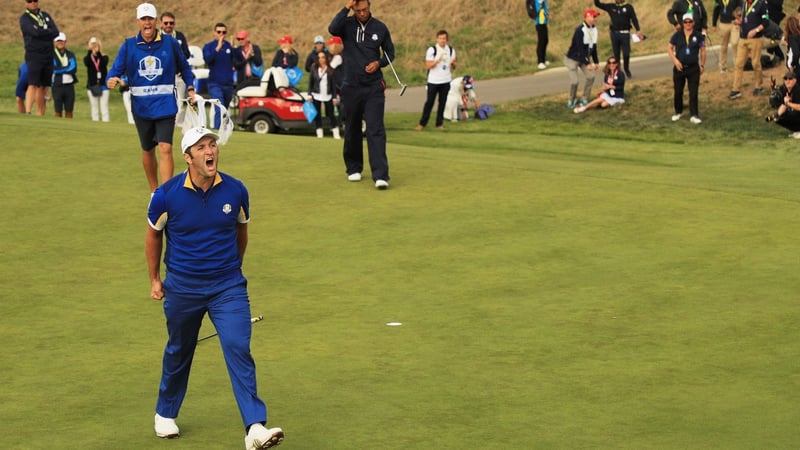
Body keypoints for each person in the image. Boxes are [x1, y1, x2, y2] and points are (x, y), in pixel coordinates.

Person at [146, 126, 285, 449]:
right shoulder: (166, 195)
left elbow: (241, 232)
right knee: (180, 349)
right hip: (182, 288)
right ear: (187, 156)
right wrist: (155, 279)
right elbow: (153, 236)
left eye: (212, 145)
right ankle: (165, 413)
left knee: (238, 347)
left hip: (228, 287)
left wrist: (231, 269)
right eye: (201, 147)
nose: (210, 151)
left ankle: (254, 428)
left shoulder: (235, 190)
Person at [106, 2, 196, 193]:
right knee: (148, 149)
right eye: (143, 19)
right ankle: (154, 191)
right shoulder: (129, 45)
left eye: (150, 19)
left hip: (165, 105)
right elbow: (115, 71)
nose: (147, 23)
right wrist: (110, 80)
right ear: (138, 21)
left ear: (156, 21)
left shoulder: (170, 43)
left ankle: (166, 195)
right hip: (141, 107)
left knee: (165, 147)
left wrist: (190, 87)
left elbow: (184, 67)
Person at [329, 0, 394, 190]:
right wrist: (346, 7)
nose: (362, 13)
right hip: (351, 86)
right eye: (358, 10)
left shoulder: (380, 27)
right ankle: (354, 168)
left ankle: (381, 175)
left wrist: (379, 63)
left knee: (375, 128)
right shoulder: (346, 25)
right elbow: (332, 29)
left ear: (369, 7)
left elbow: (390, 52)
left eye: (365, 9)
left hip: (374, 86)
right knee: (352, 127)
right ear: (354, 9)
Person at [20, 0, 60, 116]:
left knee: (43, 85)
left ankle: (40, 113)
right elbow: (34, 32)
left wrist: (41, 30)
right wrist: (47, 32)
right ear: (26, 3)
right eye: (30, 1)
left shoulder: (45, 15)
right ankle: (28, 111)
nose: (33, 3)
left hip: (48, 53)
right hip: (34, 54)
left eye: (35, 1)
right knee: (33, 83)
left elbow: (56, 32)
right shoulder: (25, 18)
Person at [668, 12, 707, 124]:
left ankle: (694, 114)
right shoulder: (677, 35)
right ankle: (678, 111)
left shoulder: (698, 36)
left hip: (693, 68)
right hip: (680, 67)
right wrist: (675, 61)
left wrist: (702, 65)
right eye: (686, 22)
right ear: (683, 23)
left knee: (693, 92)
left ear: (693, 23)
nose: (688, 24)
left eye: (690, 21)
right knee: (678, 91)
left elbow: (703, 51)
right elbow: (669, 48)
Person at [728, 0, 770, 99]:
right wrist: (739, 22)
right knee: (739, 63)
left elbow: (766, 21)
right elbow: (746, 18)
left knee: (755, 63)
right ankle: (736, 88)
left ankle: (759, 85)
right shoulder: (744, 4)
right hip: (743, 38)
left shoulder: (761, 4)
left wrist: (756, 30)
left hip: (755, 39)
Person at [416, 30, 456, 131]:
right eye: (440, 38)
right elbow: (428, 66)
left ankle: (439, 123)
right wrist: (437, 60)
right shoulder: (432, 50)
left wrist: (452, 63)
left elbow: (453, 67)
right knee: (429, 102)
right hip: (433, 81)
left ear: (447, 40)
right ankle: (422, 123)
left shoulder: (450, 50)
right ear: (437, 39)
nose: (442, 40)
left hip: (446, 80)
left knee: (442, 103)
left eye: (444, 39)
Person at [593, 0, 644, 78]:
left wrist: (638, 30)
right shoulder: (611, 7)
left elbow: (634, 19)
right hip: (614, 34)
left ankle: (626, 68)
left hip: (625, 33)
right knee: (616, 55)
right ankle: (618, 72)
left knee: (626, 53)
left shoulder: (628, 7)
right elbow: (598, 4)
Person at [565, 9, 601, 109]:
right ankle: (571, 100)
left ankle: (584, 98)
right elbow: (580, 49)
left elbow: (593, 47)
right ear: (587, 17)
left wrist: (596, 61)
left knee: (591, 77)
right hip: (573, 58)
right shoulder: (580, 30)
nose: (595, 19)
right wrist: (588, 63)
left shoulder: (594, 30)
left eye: (595, 17)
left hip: (584, 58)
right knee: (574, 81)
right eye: (593, 17)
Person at [203, 22, 236, 130]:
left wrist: (233, 48)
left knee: (225, 109)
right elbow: (208, 59)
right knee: (219, 107)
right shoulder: (209, 46)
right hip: (215, 83)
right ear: (214, 33)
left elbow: (238, 61)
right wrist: (217, 48)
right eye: (219, 32)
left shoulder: (229, 46)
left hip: (228, 83)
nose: (221, 34)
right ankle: (217, 131)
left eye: (224, 32)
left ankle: (225, 130)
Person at [161, 12, 191, 123]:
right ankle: (164, 122)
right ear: (161, 23)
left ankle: (176, 124)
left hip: (178, 74)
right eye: (166, 23)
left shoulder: (179, 36)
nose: (168, 25)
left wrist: (177, 55)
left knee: (179, 101)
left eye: (171, 23)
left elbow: (186, 53)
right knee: (165, 101)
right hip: (163, 75)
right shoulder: (157, 36)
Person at [307, 51, 341, 139]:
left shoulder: (330, 69)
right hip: (316, 94)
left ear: (326, 58)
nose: (321, 59)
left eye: (323, 57)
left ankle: (335, 132)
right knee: (317, 114)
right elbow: (311, 82)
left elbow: (333, 85)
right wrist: (309, 94)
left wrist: (334, 97)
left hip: (328, 95)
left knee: (331, 114)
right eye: (319, 57)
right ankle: (319, 133)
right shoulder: (314, 68)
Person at [766, 71, 800, 137]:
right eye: (785, 79)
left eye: (790, 79)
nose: (787, 81)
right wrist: (775, 116)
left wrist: (788, 103)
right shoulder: (783, 89)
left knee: (794, 113)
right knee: (779, 118)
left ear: (795, 80)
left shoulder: (798, 90)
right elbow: (783, 104)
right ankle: (796, 130)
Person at [51, 32, 77, 119]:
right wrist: (66, 68)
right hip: (57, 85)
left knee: (69, 110)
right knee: (58, 111)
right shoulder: (51, 54)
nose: (60, 43)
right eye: (58, 41)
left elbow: (73, 68)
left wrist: (61, 69)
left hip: (69, 85)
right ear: (55, 42)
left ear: (65, 42)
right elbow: (53, 70)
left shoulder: (70, 54)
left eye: (61, 41)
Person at [712, 0, 743, 72]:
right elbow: (716, 10)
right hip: (723, 24)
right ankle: (722, 66)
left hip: (734, 23)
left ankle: (737, 66)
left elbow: (741, 7)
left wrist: (739, 18)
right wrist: (714, 23)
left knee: (735, 43)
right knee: (723, 46)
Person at [84, 36, 110, 122]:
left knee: (104, 108)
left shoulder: (104, 57)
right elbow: (87, 62)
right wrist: (90, 51)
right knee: (94, 107)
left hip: (103, 86)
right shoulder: (88, 58)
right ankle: (95, 123)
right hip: (92, 85)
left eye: (96, 45)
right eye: (92, 45)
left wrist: (98, 53)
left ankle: (106, 124)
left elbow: (103, 63)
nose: (94, 46)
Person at [526, 0, 550, 69]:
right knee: (541, 41)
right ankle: (540, 61)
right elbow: (536, 8)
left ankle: (544, 58)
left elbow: (546, 8)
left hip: (544, 21)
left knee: (545, 40)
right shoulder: (537, 1)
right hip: (539, 22)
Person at [327, 36, 345, 120]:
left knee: (340, 103)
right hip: (339, 84)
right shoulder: (337, 56)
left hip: (339, 84)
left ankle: (341, 120)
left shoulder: (338, 57)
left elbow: (329, 68)